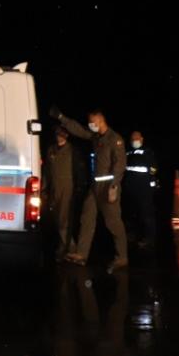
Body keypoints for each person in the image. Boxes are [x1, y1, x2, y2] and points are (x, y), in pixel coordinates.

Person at [50, 106, 129, 272]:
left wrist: (114, 185)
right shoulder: (95, 137)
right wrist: (62, 117)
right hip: (95, 186)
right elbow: (79, 130)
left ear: (100, 120)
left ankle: (122, 257)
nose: (90, 125)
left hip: (108, 186)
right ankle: (81, 254)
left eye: (92, 122)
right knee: (86, 217)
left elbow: (120, 165)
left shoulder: (115, 139)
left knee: (113, 223)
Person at [43, 126, 87, 259]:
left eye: (62, 134)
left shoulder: (73, 150)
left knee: (65, 219)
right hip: (54, 188)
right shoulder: (51, 150)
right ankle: (68, 245)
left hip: (68, 188)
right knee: (57, 218)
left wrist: (79, 188)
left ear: (67, 135)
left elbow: (79, 170)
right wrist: (44, 188)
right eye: (57, 133)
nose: (59, 136)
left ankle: (67, 247)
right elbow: (47, 171)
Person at [124, 131, 159, 249]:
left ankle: (149, 239)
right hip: (130, 189)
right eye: (133, 138)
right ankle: (132, 235)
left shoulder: (147, 152)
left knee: (146, 214)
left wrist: (151, 181)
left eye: (137, 138)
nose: (135, 140)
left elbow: (153, 168)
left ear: (142, 139)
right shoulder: (128, 152)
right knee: (131, 214)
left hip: (144, 189)